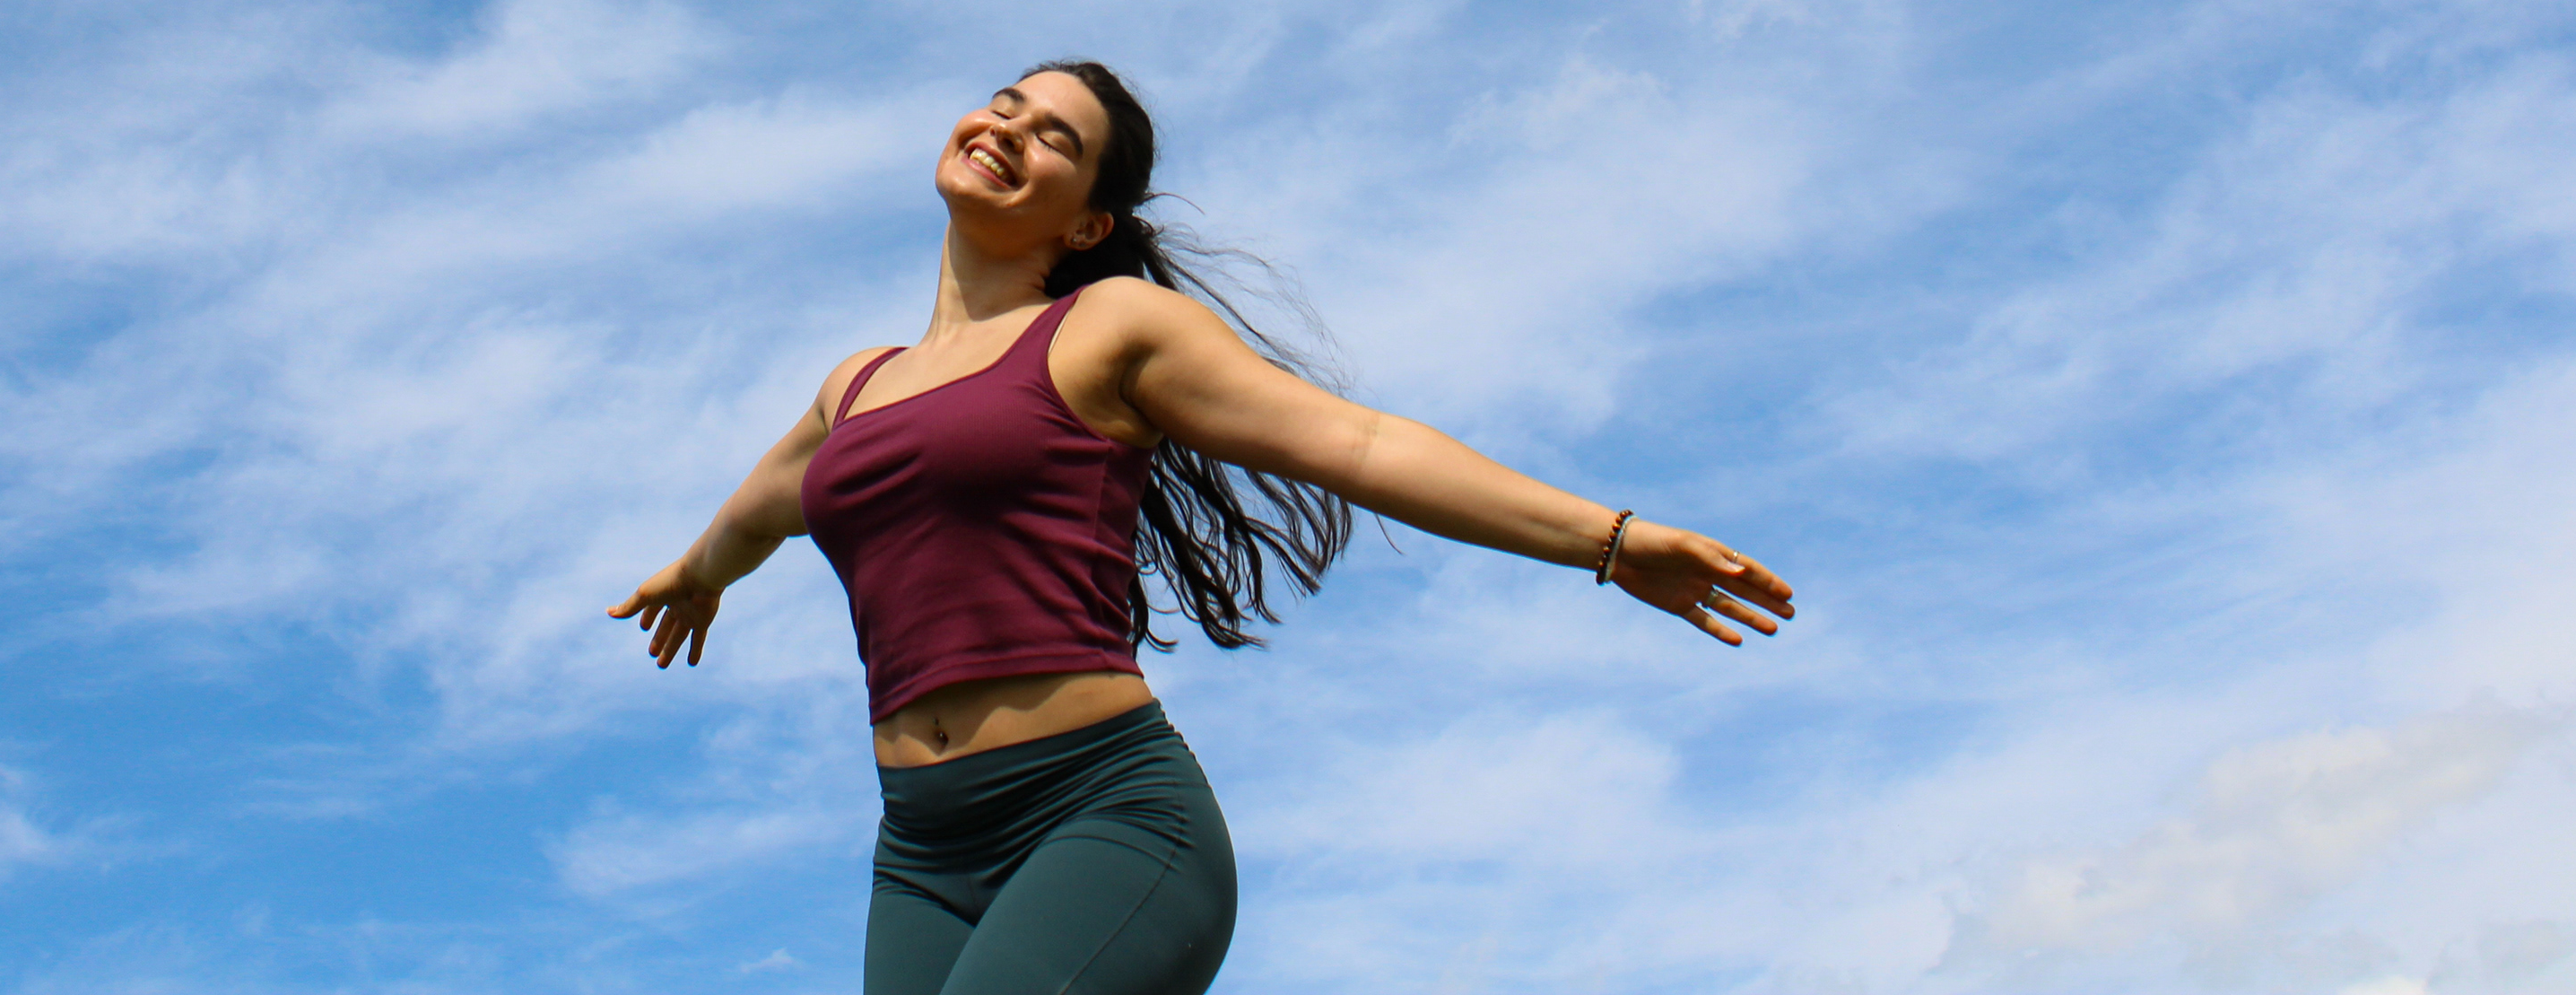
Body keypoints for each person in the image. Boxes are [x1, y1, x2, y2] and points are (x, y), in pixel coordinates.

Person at [611, 61, 1794, 995]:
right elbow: (761, 507)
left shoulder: (1108, 328)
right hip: (920, 854)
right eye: (1007, 105)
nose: (1009, 130)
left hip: (1101, 814)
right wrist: (698, 575)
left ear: (1088, 223)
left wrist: (1608, 539)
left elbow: (1359, 445)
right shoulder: (856, 387)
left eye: (1054, 138)